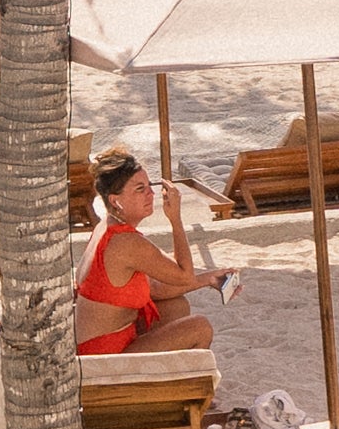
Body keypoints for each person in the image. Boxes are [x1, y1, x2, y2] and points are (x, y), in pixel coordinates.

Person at [74, 151, 227, 353]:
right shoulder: (126, 242)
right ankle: (179, 383)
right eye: (140, 189)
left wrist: (208, 279)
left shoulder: (107, 226)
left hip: (107, 338)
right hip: (105, 353)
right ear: (115, 201)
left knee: (176, 307)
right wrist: (176, 220)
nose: (151, 194)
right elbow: (184, 275)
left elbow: (155, 288)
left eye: (149, 186)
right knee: (200, 327)